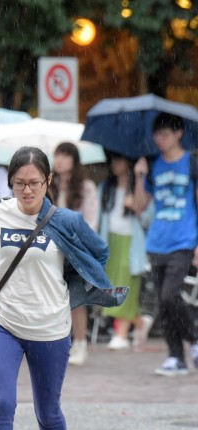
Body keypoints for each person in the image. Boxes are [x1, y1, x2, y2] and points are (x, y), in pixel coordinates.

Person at [0, 146, 126, 430]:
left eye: (34, 183)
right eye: (20, 184)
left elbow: (99, 254)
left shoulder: (66, 221)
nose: (27, 191)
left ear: (48, 182)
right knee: (3, 402)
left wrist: (71, 287)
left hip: (50, 327)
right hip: (3, 323)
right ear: (10, 182)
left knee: (48, 411)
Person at [134, 112, 198, 376]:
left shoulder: (192, 163)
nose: (160, 139)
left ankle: (194, 339)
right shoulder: (152, 165)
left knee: (170, 295)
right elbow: (140, 206)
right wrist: (139, 176)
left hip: (184, 240)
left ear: (179, 133)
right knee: (163, 302)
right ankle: (176, 357)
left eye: (166, 134)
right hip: (157, 241)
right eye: (157, 135)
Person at [53, 142, 99, 365]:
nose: (59, 160)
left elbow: (91, 220)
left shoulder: (86, 186)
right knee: (55, 297)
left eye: (65, 155)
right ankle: (64, 342)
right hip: (52, 249)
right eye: (57, 155)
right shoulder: (48, 185)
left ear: (74, 159)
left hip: (77, 249)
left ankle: (81, 342)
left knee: (76, 298)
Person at [98, 153, 149, 350]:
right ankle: (140, 323)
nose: (115, 165)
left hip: (132, 244)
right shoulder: (105, 188)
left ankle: (121, 335)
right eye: (113, 160)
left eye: (119, 160)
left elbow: (147, 218)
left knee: (126, 287)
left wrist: (136, 201)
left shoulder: (140, 186)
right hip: (109, 241)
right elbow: (98, 220)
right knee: (110, 289)